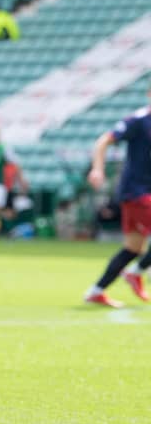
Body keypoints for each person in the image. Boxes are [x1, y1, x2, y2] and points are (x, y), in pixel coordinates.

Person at [84, 102, 151, 307]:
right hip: (137, 193)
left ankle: (96, 291)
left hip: (143, 193)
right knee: (135, 250)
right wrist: (97, 169)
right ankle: (135, 271)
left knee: (133, 248)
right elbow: (104, 140)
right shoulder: (139, 120)